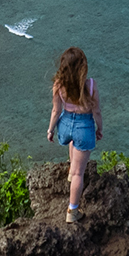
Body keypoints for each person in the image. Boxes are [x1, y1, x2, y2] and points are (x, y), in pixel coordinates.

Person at [45, 45, 101, 222]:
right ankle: (72, 211)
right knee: (79, 173)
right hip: (84, 127)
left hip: (65, 125)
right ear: (82, 67)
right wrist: (99, 128)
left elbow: (56, 110)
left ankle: (71, 170)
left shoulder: (58, 85)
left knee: (72, 141)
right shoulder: (90, 85)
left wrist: (50, 130)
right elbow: (96, 112)